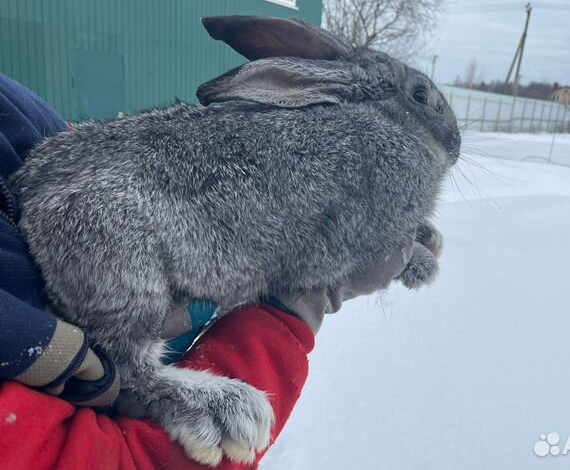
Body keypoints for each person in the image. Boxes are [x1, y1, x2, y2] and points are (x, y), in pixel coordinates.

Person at [0, 74, 413, 469]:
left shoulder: (12, 106)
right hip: (108, 357)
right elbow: (101, 459)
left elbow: (81, 155)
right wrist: (297, 305)